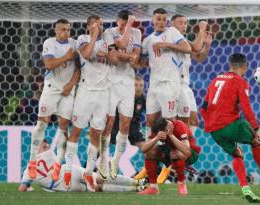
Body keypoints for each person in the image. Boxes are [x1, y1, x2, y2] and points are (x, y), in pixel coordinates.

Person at [200, 53, 260, 203]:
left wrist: (212, 123)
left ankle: (245, 188)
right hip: (231, 124)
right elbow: (246, 108)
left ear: (230, 65)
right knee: (256, 141)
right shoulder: (240, 82)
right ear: (245, 66)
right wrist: (256, 128)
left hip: (213, 130)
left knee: (237, 154)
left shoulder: (215, 80)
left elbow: (203, 108)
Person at [151, 14, 212, 183]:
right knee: (182, 124)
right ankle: (175, 158)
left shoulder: (181, 41)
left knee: (194, 122)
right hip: (176, 84)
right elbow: (195, 47)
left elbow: (198, 55)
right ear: (172, 24)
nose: (184, 25)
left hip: (186, 85)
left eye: (186, 23)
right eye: (181, 22)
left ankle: (182, 156)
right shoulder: (170, 35)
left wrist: (206, 46)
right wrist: (201, 29)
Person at [133, 8, 191, 182]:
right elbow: (142, 61)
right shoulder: (148, 40)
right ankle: (151, 164)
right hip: (154, 85)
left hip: (169, 84)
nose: (162, 22)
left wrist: (166, 45)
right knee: (151, 122)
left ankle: (169, 166)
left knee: (169, 125)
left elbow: (187, 48)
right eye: (158, 19)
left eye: (164, 19)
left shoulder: (172, 32)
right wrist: (132, 59)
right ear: (152, 20)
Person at [28, 18, 80, 181]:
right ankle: (32, 162)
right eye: (63, 29)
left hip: (68, 89)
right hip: (51, 87)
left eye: (69, 29)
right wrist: (66, 57)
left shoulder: (75, 43)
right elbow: (49, 64)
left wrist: (71, 85)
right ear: (55, 30)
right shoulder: (49, 43)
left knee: (64, 126)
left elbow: (79, 69)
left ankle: (58, 165)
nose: (66, 32)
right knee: (42, 123)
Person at [63, 15, 111, 192]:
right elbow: (86, 53)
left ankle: (89, 173)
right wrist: (93, 37)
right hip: (85, 91)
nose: (100, 28)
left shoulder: (107, 42)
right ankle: (67, 169)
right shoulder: (82, 39)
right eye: (97, 24)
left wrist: (110, 55)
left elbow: (115, 59)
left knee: (96, 134)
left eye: (102, 25)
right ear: (89, 26)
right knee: (76, 130)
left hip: (103, 93)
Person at [99, 10, 142, 180]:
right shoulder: (109, 32)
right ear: (117, 21)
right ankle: (103, 160)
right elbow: (114, 56)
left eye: (127, 23)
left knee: (125, 123)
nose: (125, 27)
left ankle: (115, 161)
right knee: (109, 123)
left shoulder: (137, 33)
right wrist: (126, 54)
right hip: (110, 81)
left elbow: (135, 58)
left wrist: (125, 55)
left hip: (127, 82)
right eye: (122, 23)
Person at [19, 140, 146, 192]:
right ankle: (137, 182)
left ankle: (134, 189)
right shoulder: (49, 153)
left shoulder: (27, 171)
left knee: (98, 189)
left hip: (66, 187)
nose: (46, 144)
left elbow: (22, 188)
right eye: (44, 143)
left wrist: (30, 187)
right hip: (70, 172)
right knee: (101, 178)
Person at [137, 118, 200, 195]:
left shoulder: (179, 126)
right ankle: (153, 187)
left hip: (191, 154)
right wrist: (156, 138)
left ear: (167, 128)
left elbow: (187, 151)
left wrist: (171, 135)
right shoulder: (158, 127)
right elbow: (144, 149)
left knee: (174, 153)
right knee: (150, 152)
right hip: (170, 151)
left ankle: (182, 184)